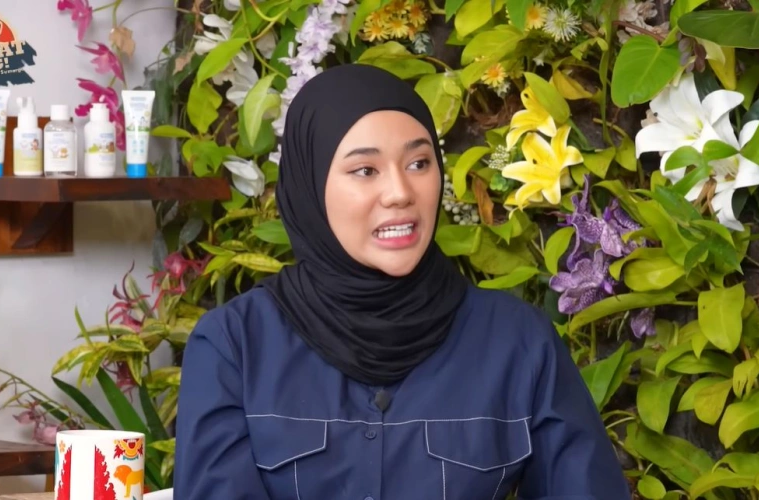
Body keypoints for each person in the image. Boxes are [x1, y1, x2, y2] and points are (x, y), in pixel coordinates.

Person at [174, 64, 630, 500]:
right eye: (365, 170)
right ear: (309, 185)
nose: (400, 193)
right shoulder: (235, 347)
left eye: (418, 163)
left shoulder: (519, 342)